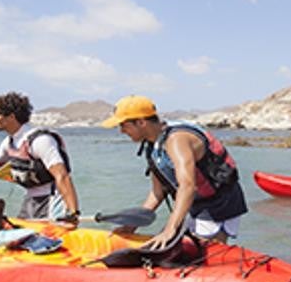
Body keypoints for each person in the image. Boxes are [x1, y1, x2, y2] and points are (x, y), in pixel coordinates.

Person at [101, 95, 247, 250]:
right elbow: (158, 192)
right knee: (174, 246)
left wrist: (170, 229)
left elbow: (188, 186)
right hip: (196, 204)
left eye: (123, 125)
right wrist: (133, 224)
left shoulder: (176, 140)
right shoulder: (152, 145)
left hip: (220, 203)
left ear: (141, 122)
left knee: (204, 253)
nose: (121, 131)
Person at [0, 92, 81, 224]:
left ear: (11, 117)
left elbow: (62, 176)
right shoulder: (9, 143)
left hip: (51, 198)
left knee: (47, 239)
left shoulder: (40, 141)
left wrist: (73, 212)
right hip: (31, 199)